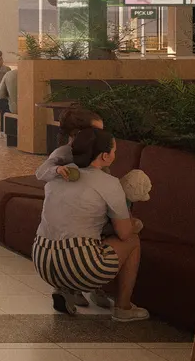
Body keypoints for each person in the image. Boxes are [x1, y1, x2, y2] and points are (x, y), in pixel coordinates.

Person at [32, 127, 147, 321]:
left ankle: (66, 289)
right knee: (133, 240)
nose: (114, 155)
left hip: (41, 259)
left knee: (87, 234)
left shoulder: (59, 175)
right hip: (81, 266)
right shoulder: (109, 183)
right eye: (114, 151)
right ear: (104, 156)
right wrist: (135, 224)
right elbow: (124, 233)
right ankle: (123, 307)